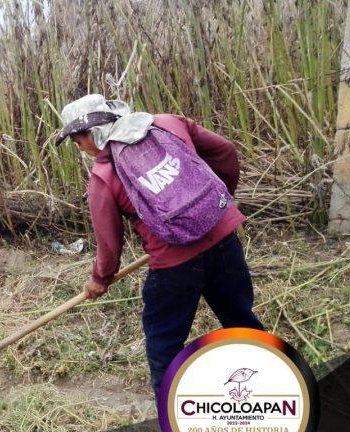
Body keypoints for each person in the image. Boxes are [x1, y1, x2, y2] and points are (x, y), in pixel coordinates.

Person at [55, 94, 264, 396]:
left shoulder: (104, 174)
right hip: (224, 242)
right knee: (240, 320)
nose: (82, 149)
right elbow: (226, 152)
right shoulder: (167, 124)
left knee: (164, 345)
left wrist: (99, 279)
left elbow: (110, 244)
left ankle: (172, 418)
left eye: (78, 141)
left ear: (93, 133)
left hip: (175, 267)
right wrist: (217, 204)